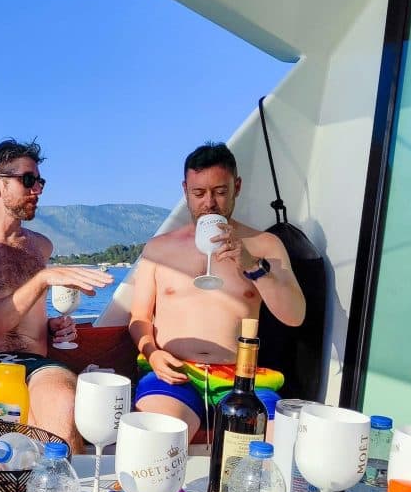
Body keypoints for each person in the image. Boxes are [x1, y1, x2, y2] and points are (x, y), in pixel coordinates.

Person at [128, 142, 306, 443]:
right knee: (156, 441)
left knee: (277, 448)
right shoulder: (158, 249)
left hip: (244, 377)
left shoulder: (265, 245)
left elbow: (294, 316)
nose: (209, 203)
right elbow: (140, 317)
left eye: (220, 192)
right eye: (199, 193)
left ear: (236, 187)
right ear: (185, 190)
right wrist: (152, 353)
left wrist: (253, 266)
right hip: (175, 372)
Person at [0, 139, 113, 455]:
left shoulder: (41, 246)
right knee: (27, 428)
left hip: (38, 365)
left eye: (39, 181)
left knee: (63, 404)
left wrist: (51, 325)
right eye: (27, 180)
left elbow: (24, 309)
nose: (37, 189)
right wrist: (44, 279)